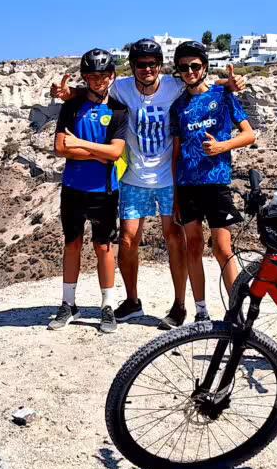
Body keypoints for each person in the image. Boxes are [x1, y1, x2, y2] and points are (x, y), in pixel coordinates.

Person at [51, 40, 244, 329]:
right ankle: (131, 301)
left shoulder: (172, 86)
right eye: (140, 64)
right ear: (132, 67)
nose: (147, 69)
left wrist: (229, 82)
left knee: (174, 239)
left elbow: (196, 79)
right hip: (134, 177)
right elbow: (97, 86)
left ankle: (179, 306)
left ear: (161, 65)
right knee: (128, 239)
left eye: (152, 63)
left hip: (168, 176)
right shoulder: (121, 87)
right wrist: (69, 93)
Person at [170, 40, 256, 322]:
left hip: (216, 182)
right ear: (179, 71)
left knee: (222, 248)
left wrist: (222, 146)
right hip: (187, 184)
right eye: (184, 67)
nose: (190, 71)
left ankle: (236, 314)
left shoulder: (223, 94)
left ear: (204, 67)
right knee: (192, 246)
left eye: (195, 65)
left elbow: (249, 134)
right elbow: (176, 152)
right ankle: (201, 312)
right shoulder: (178, 106)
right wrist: (173, 195)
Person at [49, 49, 129, 333]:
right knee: (72, 244)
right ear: (85, 77)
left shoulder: (119, 110)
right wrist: (100, 153)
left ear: (112, 76)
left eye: (104, 75)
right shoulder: (72, 106)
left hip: (105, 190)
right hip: (73, 188)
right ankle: (68, 304)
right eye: (93, 76)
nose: (99, 81)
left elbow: (116, 153)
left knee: (104, 247)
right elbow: (60, 148)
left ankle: (107, 306)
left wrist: (83, 148)